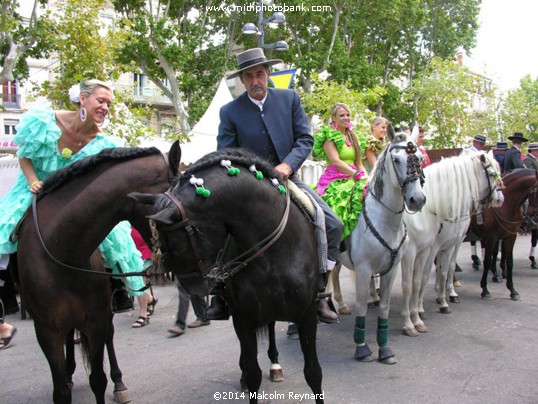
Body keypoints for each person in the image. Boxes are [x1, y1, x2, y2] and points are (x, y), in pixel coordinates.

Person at [0, 79, 152, 328]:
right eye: (100, 101)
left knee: (118, 240)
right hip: (34, 189)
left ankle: (130, 295)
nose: (105, 107)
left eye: (108, 104)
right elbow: (24, 156)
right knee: (3, 228)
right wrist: (33, 181)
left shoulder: (104, 143)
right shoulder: (43, 120)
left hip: (71, 199)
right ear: (82, 98)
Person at [214, 47, 342, 324]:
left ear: (268, 73)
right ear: (243, 80)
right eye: (249, 76)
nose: (255, 80)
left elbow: (304, 140)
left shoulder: (289, 98)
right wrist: (248, 175)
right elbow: (225, 152)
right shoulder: (230, 111)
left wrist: (287, 165)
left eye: (259, 73)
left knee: (331, 224)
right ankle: (219, 292)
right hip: (249, 186)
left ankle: (320, 292)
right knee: (218, 225)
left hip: (288, 178)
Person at [314, 103, 368, 241]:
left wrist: (366, 176)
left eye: (348, 115)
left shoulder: (354, 137)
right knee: (339, 204)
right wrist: (355, 174)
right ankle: (338, 241)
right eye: (342, 115)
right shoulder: (330, 136)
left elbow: (359, 163)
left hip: (354, 176)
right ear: (334, 118)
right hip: (335, 178)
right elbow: (336, 161)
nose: (346, 118)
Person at [130, 228, 158, 328]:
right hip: (130, 252)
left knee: (139, 281)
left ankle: (143, 314)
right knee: (132, 282)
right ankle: (151, 299)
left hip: (145, 252)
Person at [523, 142, 538, 269]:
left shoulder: (534, 159)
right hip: (531, 187)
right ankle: (529, 218)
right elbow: (531, 175)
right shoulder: (528, 160)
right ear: (533, 150)